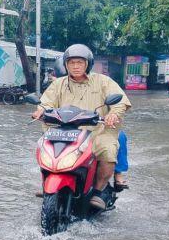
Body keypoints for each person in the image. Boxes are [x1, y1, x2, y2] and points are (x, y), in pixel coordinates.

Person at [31, 44, 132, 210]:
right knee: (43, 146)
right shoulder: (58, 84)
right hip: (64, 132)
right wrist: (39, 110)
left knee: (108, 149)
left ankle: (98, 191)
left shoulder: (103, 81)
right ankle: (48, 182)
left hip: (96, 132)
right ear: (66, 65)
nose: (76, 66)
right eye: (71, 63)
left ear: (88, 64)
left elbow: (120, 102)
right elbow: (46, 102)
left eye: (80, 62)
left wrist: (113, 113)